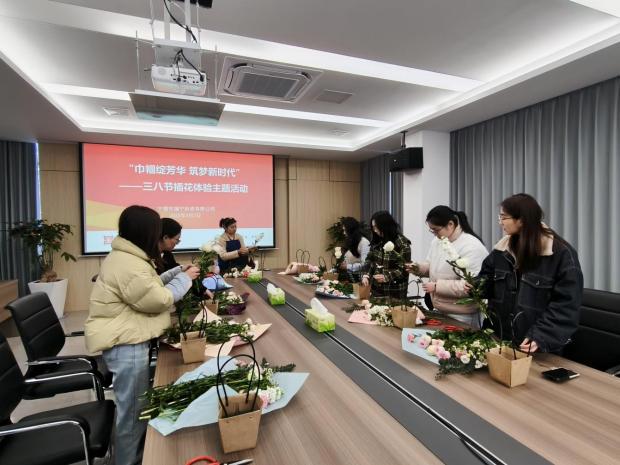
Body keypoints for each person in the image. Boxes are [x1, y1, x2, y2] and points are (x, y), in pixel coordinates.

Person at [85, 206, 199, 465]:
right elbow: (158, 299)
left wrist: (176, 272)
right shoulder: (128, 264)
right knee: (134, 414)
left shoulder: (130, 257)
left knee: (136, 409)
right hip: (127, 344)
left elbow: (150, 285)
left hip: (129, 340)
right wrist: (185, 279)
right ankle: (129, 460)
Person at [475, 193, 583, 353]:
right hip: (498, 340)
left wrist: (541, 335)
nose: (500, 222)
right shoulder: (501, 250)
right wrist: (474, 286)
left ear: (522, 220)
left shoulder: (561, 254)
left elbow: (566, 305)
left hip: (535, 347)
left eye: (504, 217)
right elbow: (486, 281)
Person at [410, 206, 488, 328]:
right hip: (441, 308)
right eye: (432, 231)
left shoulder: (471, 247)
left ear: (450, 224)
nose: (435, 234)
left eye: (436, 230)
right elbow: (432, 266)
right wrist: (417, 268)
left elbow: (471, 285)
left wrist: (437, 286)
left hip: (462, 314)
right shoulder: (438, 241)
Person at [362, 211, 411, 299]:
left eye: (376, 227)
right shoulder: (377, 239)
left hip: (394, 291)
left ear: (385, 226)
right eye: (373, 227)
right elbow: (369, 259)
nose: (375, 230)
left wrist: (386, 277)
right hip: (376, 290)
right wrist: (366, 275)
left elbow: (404, 269)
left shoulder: (402, 243)